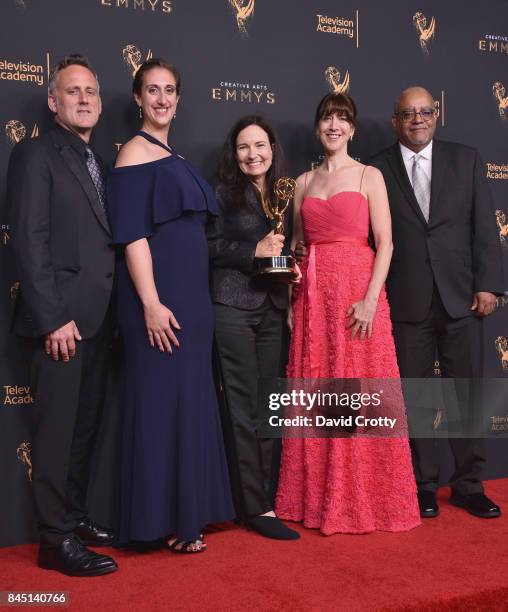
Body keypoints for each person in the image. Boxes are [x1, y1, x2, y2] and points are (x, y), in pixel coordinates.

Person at [275, 93, 420, 534]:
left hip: (357, 294)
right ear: (318, 127)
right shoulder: (302, 182)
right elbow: (298, 247)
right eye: (327, 119)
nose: (334, 126)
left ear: (353, 128)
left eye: (343, 119)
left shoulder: (369, 175)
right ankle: (317, 499)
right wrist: (290, 296)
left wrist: (371, 299)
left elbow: (386, 243)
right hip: (314, 298)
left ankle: (367, 499)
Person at [107, 58, 234, 553]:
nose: (162, 99)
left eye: (170, 91)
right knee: (161, 408)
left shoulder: (169, 154)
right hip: (160, 301)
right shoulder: (133, 155)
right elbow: (132, 235)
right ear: (137, 98)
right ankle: (158, 521)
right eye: (152, 90)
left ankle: (186, 517)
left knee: (187, 406)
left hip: (191, 302)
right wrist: (151, 303)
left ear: (179, 99)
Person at [368, 86, 505, 519]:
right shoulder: (376, 168)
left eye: (425, 111)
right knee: (417, 397)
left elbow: (485, 228)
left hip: (462, 296)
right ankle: (423, 486)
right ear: (395, 120)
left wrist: (489, 285)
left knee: (467, 393)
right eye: (408, 113)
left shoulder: (466, 159)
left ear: (437, 114)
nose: (417, 119)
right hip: (406, 299)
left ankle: (468, 485)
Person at [7, 55, 117, 576]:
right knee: (54, 436)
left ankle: (71, 520)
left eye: (91, 91)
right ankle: (54, 541)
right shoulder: (35, 153)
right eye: (72, 91)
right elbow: (29, 240)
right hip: (60, 326)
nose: (84, 99)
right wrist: (51, 317)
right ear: (53, 102)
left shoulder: (100, 163)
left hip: (97, 323)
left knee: (83, 431)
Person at [207, 116, 300, 540]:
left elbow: (288, 245)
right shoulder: (222, 191)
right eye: (244, 147)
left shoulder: (285, 191)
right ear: (234, 152)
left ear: (272, 147)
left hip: (272, 306)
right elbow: (208, 246)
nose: (253, 154)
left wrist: (290, 269)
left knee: (271, 406)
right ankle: (254, 506)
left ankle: (267, 498)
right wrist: (253, 250)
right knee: (243, 409)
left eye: (260, 145)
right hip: (232, 306)